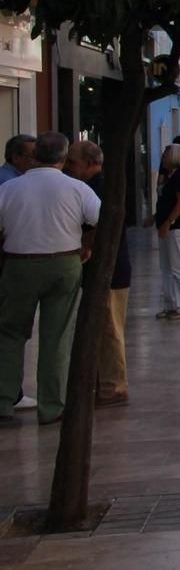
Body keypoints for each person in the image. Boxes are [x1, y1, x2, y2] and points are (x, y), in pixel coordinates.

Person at [0, 132, 100, 425]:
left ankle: (4, 401)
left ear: (34, 156)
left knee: (10, 334)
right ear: (63, 157)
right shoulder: (77, 188)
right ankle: (51, 407)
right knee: (57, 338)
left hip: (19, 264)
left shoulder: (10, 188)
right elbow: (101, 218)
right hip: (65, 262)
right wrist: (87, 245)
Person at [64, 141, 130, 407]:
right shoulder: (94, 185)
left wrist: (85, 247)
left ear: (91, 163)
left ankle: (114, 386)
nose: (68, 168)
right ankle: (103, 381)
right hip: (107, 267)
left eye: (73, 162)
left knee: (110, 328)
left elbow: (104, 223)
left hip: (110, 268)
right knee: (103, 327)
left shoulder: (98, 187)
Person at [0, 134, 39, 413]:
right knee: (12, 330)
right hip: (10, 263)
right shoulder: (9, 184)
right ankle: (10, 394)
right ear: (16, 157)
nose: (36, 161)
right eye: (31, 156)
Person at [147, 143, 180, 320]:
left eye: (166, 154)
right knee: (167, 267)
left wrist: (169, 221)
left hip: (178, 227)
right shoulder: (171, 175)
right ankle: (171, 304)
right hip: (167, 226)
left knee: (178, 267)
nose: (163, 158)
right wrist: (155, 218)